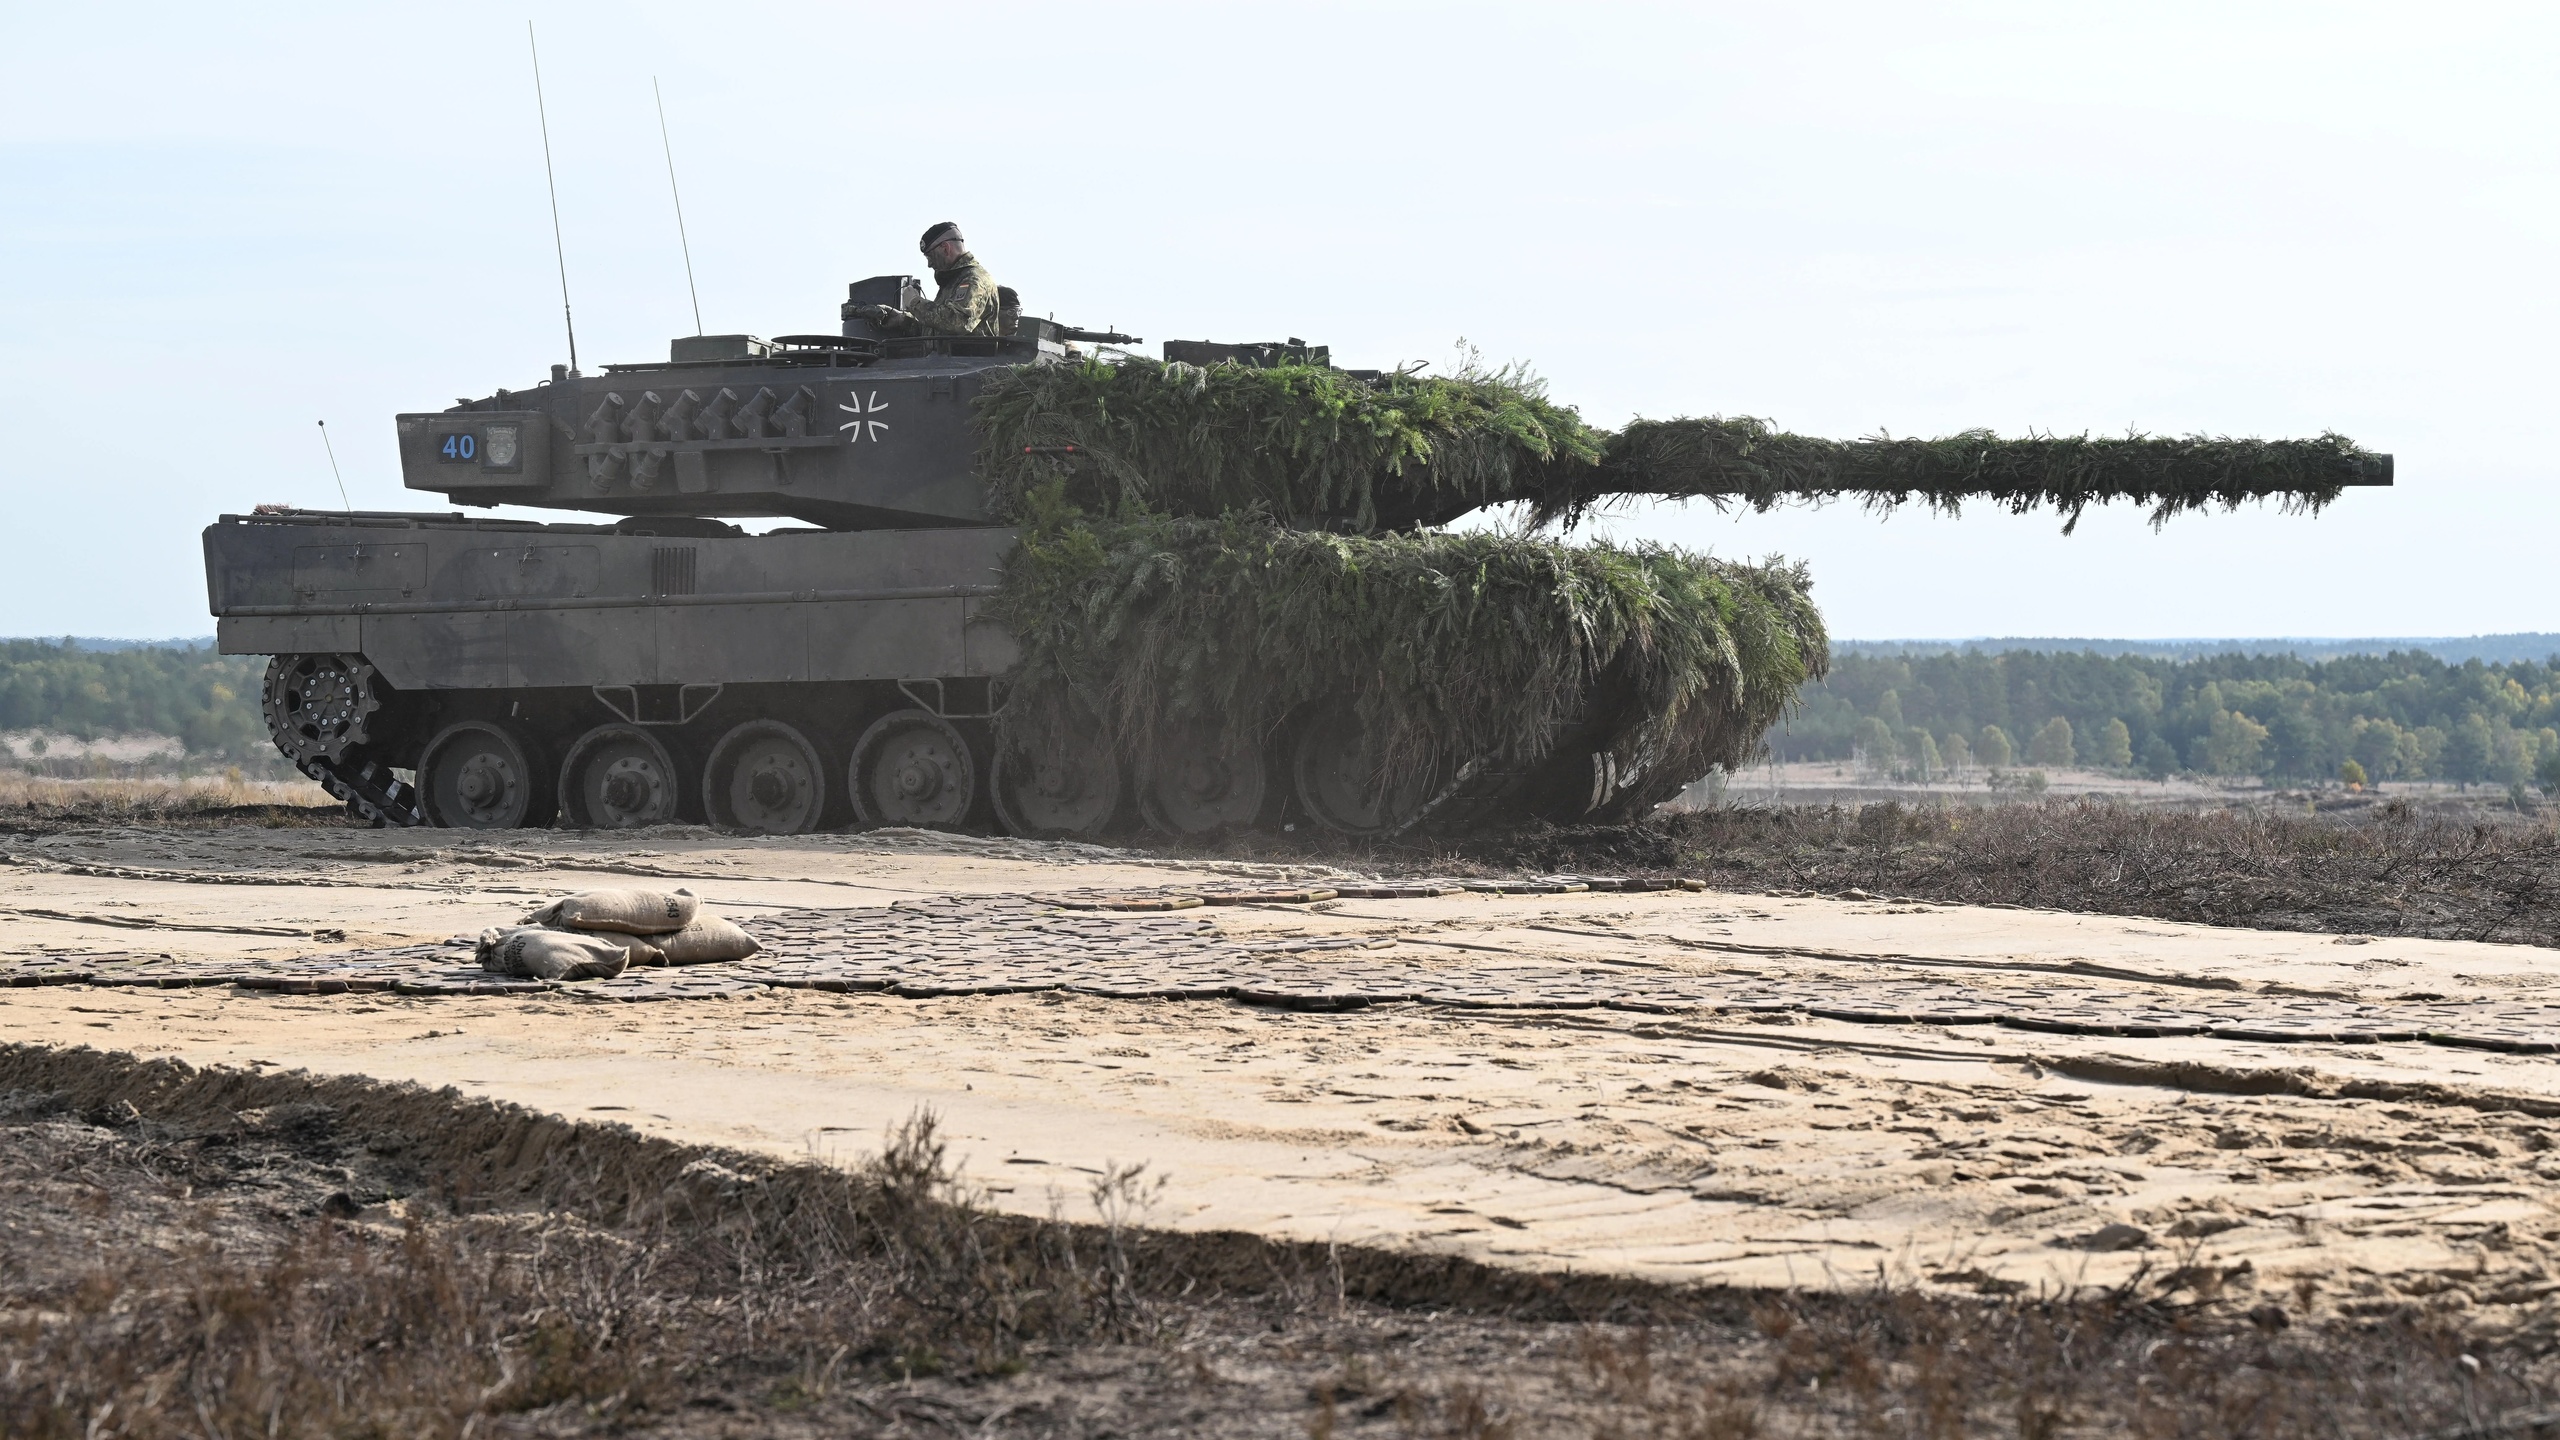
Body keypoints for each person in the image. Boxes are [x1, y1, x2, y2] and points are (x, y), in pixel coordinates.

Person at [856, 222, 1002, 338]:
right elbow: (940, 330)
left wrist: (915, 302)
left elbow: (957, 323)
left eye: (930, 256)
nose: (929, 264)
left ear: (945, 248)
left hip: (967, 368)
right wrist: (902, 320)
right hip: (950, 366)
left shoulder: (974, 279)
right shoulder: (953, 280)